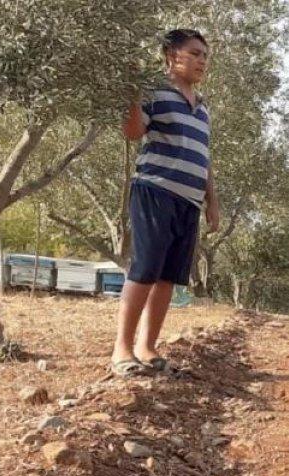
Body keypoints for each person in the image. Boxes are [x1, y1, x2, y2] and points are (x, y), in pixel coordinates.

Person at [110, 29, 220, 377]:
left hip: (189, 202)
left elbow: (204, 159)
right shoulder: (154, 93)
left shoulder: (202, 110)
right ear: (172, 56)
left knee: (168, 277)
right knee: (144, 269)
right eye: (195, 53)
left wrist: (212, 202)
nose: (202, 60)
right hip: (155, 191)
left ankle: (147, 346)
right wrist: (130, 94)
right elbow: (132, 133)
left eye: (205, 55)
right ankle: (122, 350)